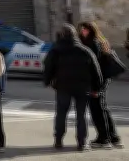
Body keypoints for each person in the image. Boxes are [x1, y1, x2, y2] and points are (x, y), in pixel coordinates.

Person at [43, 24, 102, 152]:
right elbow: (96, 70)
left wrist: (47, 81)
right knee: (81, 115)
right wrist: (96, 88)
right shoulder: (85, 50)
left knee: (61, 113)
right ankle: (82, 142)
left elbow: (48, 66)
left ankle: (58, 140)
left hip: (63, 86)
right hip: (83, 87)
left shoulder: (56, 50)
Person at [79, 21, 122, 149]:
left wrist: (95, 87)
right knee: (102, 108)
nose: (82, 31)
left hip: (97, 80)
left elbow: (95, 67)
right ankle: (113, 137)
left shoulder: (93, 43)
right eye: (81, 29)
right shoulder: (99, 41)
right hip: (102, 79)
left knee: (97, 110)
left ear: (90, 30)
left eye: (84, 29)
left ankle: (104, 139)